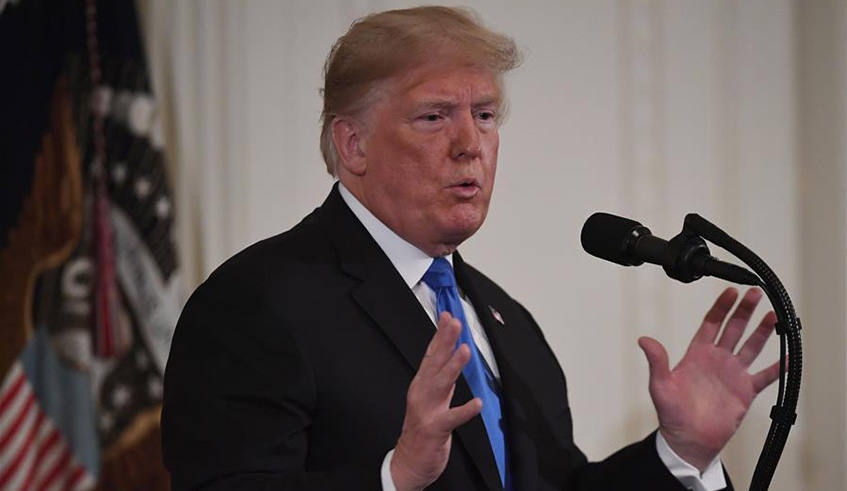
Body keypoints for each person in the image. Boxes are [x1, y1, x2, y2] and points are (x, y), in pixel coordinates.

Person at [161, 6, 780, 491]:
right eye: (434, 117)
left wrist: (680, 453)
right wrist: (393, 479)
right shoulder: (256, 304)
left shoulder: (507, 321)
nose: (470, 144)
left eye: (484, 116)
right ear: (352, 146)